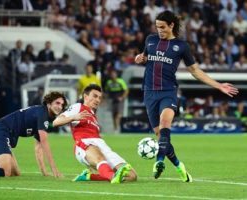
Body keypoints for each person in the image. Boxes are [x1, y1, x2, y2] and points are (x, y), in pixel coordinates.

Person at [134, 11, 239, 182]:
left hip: (168, 92)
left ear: (171, 26)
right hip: (149, 92)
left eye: (162, 27)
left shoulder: (181, 46)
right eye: (157, 26)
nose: (159, 30)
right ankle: (178, 165)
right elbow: (144, 57)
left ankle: (158, 161)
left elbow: (195, 71)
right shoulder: (150, 40)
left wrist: (219, 85)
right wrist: (140, 58)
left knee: (165, 123)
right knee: (161, 137)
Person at [53, 84, 137, 184]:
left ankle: (89, 176)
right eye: (95, 96)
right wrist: (73, 117)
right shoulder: (78, 107)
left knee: (132, 176)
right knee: (99, 158)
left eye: (99, 98)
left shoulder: (93, 116)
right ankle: (113, 177)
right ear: (85, 96)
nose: (98, 100)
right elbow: (56, 122)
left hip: (102, 145)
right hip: (84, 143)